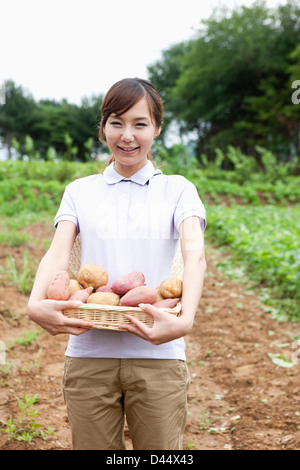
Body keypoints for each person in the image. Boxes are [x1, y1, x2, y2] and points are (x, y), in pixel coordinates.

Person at [27, 77, 207, 450]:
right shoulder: (79, 191)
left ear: (157, 128)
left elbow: (194, 252)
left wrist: (186, 318)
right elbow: (58, 253)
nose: (128, 135)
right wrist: (34, 303)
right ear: (103, 128)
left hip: (158, 353)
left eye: (140, 124)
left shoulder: (178, 189)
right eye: (117, 123)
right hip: (89, 354)